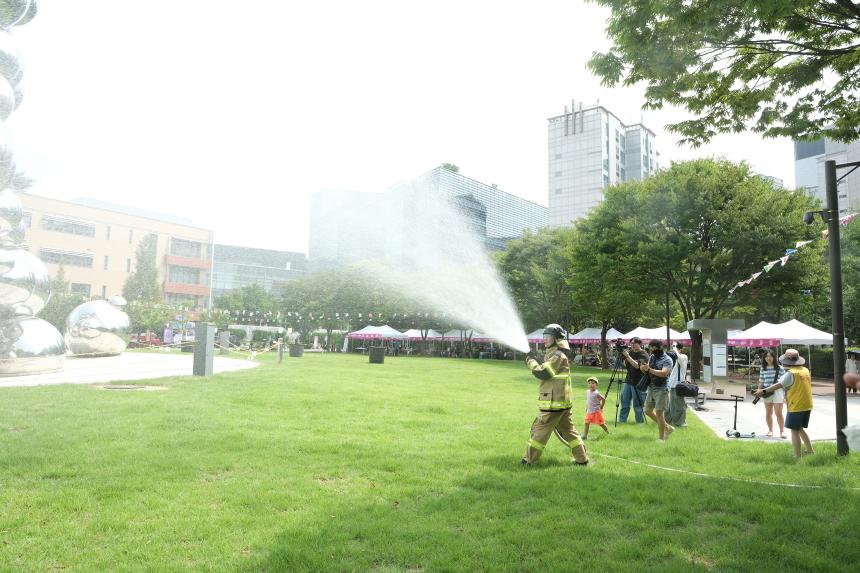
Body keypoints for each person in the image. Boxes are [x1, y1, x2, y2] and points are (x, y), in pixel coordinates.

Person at [521, 324, 589, 466]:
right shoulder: (554, 355)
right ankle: (581, 459)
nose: (544, 340)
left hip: (554, 403)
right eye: (544, 337)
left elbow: (543, 373)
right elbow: (547, 367)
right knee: (570, 432)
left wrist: (530, 361)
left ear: (556, 339)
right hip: (560, 403)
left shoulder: (557, 356)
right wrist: (536, 358)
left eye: (547, 337)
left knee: (539, 431)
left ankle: (528, 461)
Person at [753, 349, 814, 458]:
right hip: (807, 404)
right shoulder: (805, 370)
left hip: (796, 405)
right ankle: (809, 450)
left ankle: (797, 456)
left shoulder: (790, 374)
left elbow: (777, 385)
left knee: (794, 431)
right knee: (799, 428)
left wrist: (763, 391)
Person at [640, 339, 674, 441]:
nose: (652, 350)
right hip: (651, 387)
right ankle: (668, 428)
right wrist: (643, 368)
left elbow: (664, 373)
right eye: (651, 348)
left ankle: (661, 439)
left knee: (659, 413)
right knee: (647, 411)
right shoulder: (652, 357)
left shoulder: (667, 359)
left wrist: (649, 369)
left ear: (660, 348)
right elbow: (648, 369)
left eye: (654, 348)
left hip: (662, 389)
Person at [757, 349, 786, 438]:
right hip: (766, 392)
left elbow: (784, 382)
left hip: (778, 392)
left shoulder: (780, 368)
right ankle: (770, 430)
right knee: (768, 413)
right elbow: (761, 381)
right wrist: (759, 391)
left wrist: (785, 396)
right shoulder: (763, 368)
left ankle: (782, 432)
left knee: (778, 413)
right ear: (764, 358)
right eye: (766, 356)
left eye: (770, 356)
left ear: (774, 357)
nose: (768, 358)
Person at [620, 337, 649, 423]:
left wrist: (628, 357)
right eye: (631, 343)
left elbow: (638, 366)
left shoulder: (644, 354)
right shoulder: (630, 352)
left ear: (639, 344)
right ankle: (622, 420)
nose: (632, 345)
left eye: (634, 343)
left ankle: (639, 422)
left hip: (638, 382)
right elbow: (625, 364)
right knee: (624, 401)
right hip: (628, 380)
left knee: (638, 403)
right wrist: (625, 357)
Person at [666, 343, 689, 428]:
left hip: (679, 385)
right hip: (672, 385)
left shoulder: (683, 357)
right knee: (672, 405)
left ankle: (680, 422)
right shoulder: (672, 359)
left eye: (674, 349)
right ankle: (671, 421)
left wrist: (674, 347)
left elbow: (678, 357)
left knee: (679, 405)